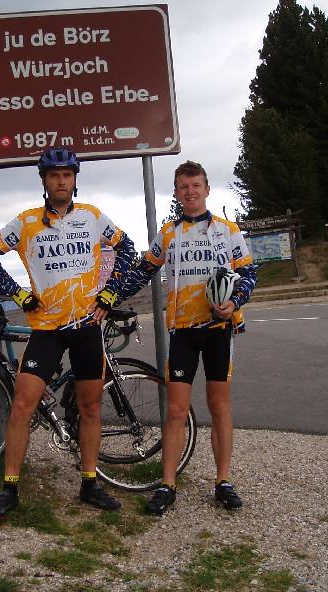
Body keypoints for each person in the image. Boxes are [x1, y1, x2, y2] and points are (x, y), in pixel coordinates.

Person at [0, 147, 136, 519]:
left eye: (67, 175)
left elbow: (127, 249)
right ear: (44, 181)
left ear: (75, 179)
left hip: (87, 327)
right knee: (22, 406)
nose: (61, 181)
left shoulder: (93, 216)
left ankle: (90, 483)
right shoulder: (27, 221)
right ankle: (9, 488)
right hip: (46, 329)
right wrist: (18, 294)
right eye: (54, 175)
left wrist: (110, 294)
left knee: (91, 407)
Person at [118, 160, 257, 515]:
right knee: (176, 410)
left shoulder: (228, 230)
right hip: (181, 332)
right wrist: (107, 298)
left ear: (207, 189)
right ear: (177, 193)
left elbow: (249, 274)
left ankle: (223, 481)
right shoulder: (168, 233)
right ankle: (167, 484)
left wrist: (235, 302)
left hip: (217, 330)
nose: (190, 192)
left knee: (219, 406)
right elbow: (142, 271)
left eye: (196, 185)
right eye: (183, 187)